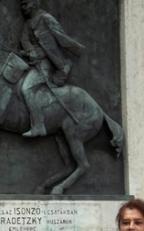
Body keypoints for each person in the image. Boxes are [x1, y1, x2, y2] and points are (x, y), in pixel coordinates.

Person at [19, 0, 85, 137]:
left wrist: (40, 54)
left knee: (26, 88)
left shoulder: (46, 19)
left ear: (34, 4)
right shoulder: (28, 23)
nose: (23, 7)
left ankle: (38, 125)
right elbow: (24, 39)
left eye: (26, 3)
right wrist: (30, 51)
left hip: (47, 62)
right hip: (33, 61)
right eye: (22, 4)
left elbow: (58, 40)